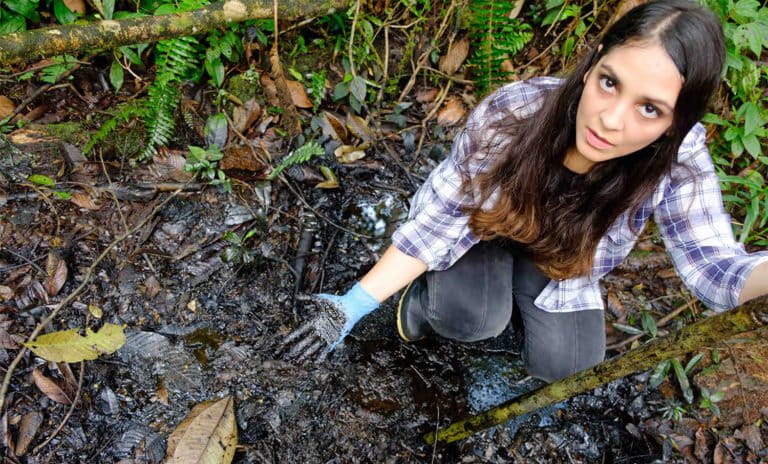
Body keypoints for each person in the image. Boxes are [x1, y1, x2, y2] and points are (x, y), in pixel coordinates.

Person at [280, 0, 768, 381]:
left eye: (650, 109)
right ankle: (429, 301)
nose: (610, 119)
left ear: (676, 124)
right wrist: (349, 308)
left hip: (560, 258)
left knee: (571, 364)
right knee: (467, 318)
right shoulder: (516, 113)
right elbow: (439, 223)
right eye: (609, 83)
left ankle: (513, 309)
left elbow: (717, 270)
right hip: (483, 231)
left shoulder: (678, 163)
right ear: (594, 61)